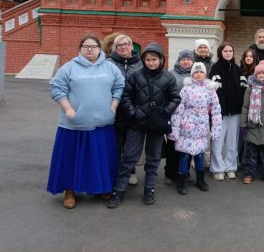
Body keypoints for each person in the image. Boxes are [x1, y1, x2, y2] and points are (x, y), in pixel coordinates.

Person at [48, 34, 125, 209]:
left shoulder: (110, 68)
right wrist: (68, 109)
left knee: (100, 159)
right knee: (71, 158)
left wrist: (113, 107)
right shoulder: (68, 68)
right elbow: (56, 87)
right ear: (80, 49)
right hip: (74, 124)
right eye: (86, 46)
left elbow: (119, 86)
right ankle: (70, 190)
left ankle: (100, 187)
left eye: (93, 46)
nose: (89, 49)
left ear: (100, 48)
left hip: (102, 123)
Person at [107, 43, 181, 208]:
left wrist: (163, 112)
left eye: (154, 59)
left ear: (161, 59)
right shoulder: (135, 75)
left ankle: (149, 189)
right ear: (143, 60)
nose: (151, 63)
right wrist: (133, 113)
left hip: (157, 123)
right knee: (129, 157)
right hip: (136, 123)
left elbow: (175, 98)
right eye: (148, 59)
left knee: (153, 158)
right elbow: (126, 96)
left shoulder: (168, 77)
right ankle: (119, 190)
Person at [170, 62, 222, 195]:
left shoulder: (210, 89)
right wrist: (175, 129)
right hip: (186, 127)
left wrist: (216, 129)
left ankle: (200, 179)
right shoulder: (186, 89)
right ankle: (182, 180)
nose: (199, 74)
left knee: (199, 155)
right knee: (184, 155)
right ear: (192, 74)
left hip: (201, 128)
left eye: (201, 72)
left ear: (205, 74)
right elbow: (178, 109)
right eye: (196, 72)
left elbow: (216, 110)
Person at [108, 34, 143, 186]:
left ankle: (130, 171)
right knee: (115, 143)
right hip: (113, 109)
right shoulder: (108, 63)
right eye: (119, 45)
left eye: (126, 44)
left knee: (131, 143)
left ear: (131, 46)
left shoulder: (141, 63)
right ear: (115, 48)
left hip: (134, 109)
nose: (123, 47)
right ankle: (114, 171)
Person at [209, 42, 247, 180]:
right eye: (225, 51)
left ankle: (230, 167)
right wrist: (220, 107)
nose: (228, 53)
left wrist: (240, 105)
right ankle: (218, 168)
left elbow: (244, 89)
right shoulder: (215, 68)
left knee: (232, 142)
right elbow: (214, 91)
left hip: (235, 112)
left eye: (230, 51)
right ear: (220, 53)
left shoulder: (237, 69)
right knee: (217, 142)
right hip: (220, 113)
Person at [240, 61, 264, 185]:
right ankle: (248, 174)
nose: (261, 75)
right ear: (255, 75)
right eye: (259, 73)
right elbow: (245, 107)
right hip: (252, 125)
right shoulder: (249, 90)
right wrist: (243, 124)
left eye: (263, 73)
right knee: (250, 153)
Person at [163, 49, 194, 185]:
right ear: (179, 60)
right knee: (173, 144)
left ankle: (184, 171)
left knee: (188, 145)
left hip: (191, 117)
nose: (186, 61)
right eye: (183, 59)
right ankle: (170, 173)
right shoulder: (170, 74)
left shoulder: (197, 74)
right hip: (174, 114)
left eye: (188, 59)